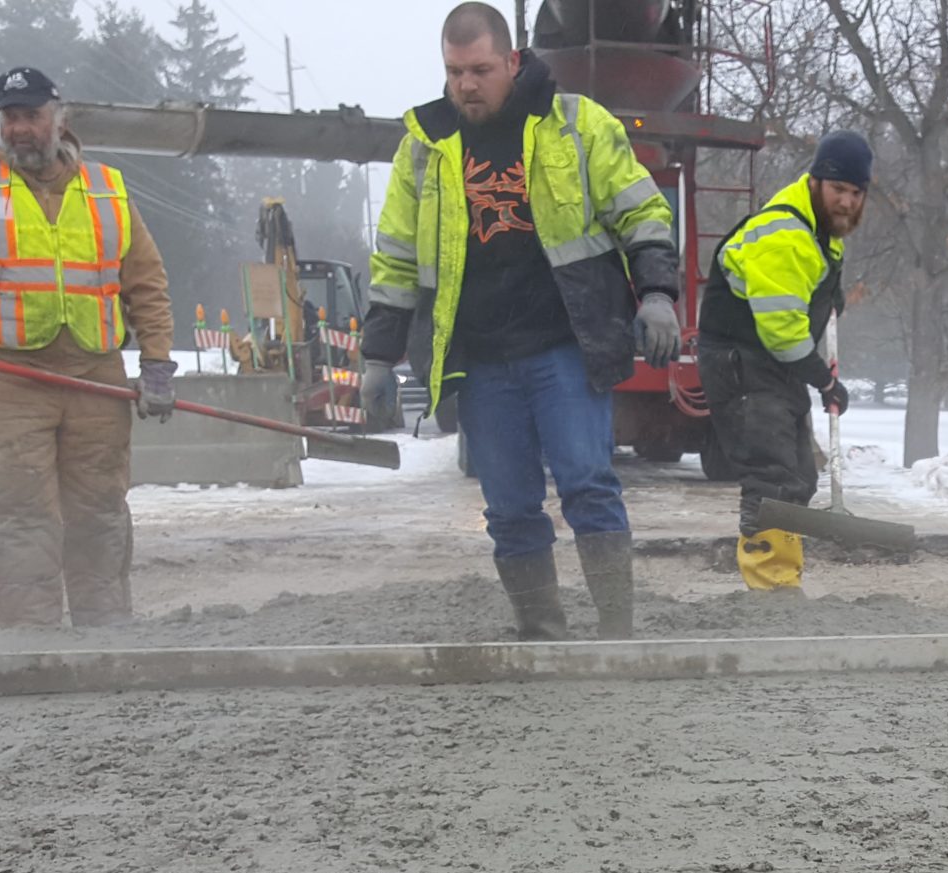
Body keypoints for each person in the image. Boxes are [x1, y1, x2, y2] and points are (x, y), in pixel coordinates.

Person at [360, 3, 681, 640]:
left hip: (565, 344)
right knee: (508, 507)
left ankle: (617, 632)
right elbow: (394, 258)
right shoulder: (423, 149)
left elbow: (641, 212)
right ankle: (541, 632)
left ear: (512, 60)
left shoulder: (578, 125)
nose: (466, 85)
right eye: (454, 72)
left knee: (587, 483)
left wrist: (657, 293)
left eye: (479, 69)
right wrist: (377, 356)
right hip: (477, 360)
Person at [0, 66, 176, 628]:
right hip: (16, 378)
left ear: (60, 119)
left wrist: (156, 364)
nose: (21, 129)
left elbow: (146, 283)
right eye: (11, 118)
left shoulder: (107, 188)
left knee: (98, 511)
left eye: (32, 116)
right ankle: (30, 642)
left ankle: (106, 634)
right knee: (19, 513)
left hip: (96, 376)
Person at [696, 131, 867, 590]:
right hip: (744, 362)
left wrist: (830, 301)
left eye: (856, 192)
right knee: (771, 477)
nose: (847, 201)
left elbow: (811, 292)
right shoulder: (787, 234)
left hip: (771, 364)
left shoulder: (821, 233)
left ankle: (781, 579)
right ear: (816, 182)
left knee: (798, 477)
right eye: (838, 189)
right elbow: (781, 331)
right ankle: (770, 591)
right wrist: (824, 383)